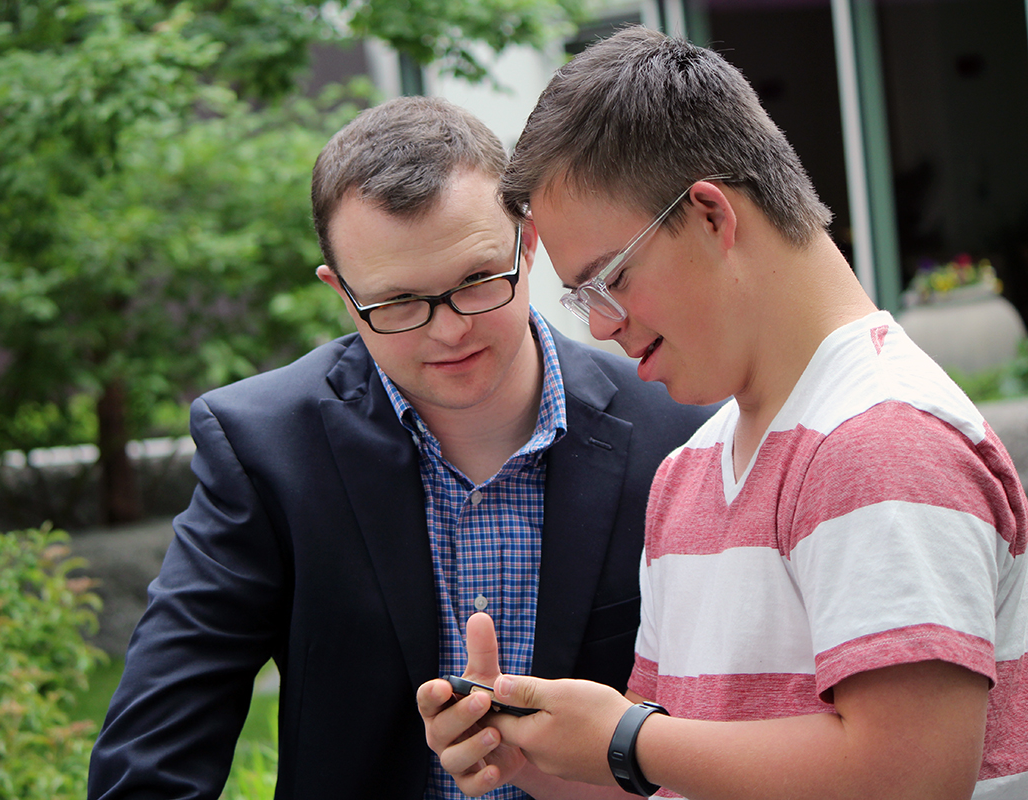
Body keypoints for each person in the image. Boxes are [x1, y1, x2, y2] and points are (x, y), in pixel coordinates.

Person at [417, 26, 1028, 800]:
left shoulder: (880, 437)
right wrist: (538, 756)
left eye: (608, 280)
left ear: (710, 214)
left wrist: (626, 736)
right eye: (579, 299)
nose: (600, 325)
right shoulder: (690, 469)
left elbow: (909, 773)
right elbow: (675, 771)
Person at [86, 95, 715, 800]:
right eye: (398, 303)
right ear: (343, 296)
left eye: (477, 280)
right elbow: (148, 761)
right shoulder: (266, 448)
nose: (449, 331)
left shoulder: (684, 427)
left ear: (528, 240)